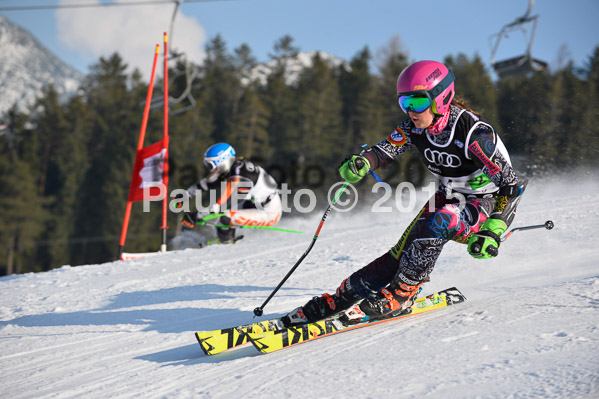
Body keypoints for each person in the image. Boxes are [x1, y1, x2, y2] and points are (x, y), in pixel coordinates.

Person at [283, 60, 526, 326]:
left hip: (486, 203)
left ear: (441, 99)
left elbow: (511, 186)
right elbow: (383, 150)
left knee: (441, 220)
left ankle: (403, 293)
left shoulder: (472, 134)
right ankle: (343, 297)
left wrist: (494, 228)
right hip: (450, 196)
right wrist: (362, 162)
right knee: (403, 251)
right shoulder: (414, 128)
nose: (411, 111)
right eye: (405, 103)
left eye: (418, 103)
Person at [179, 142, 282, 244]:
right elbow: (206, 183)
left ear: (222, 162)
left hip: (269, 213)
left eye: (210, 166)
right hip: (254, 204)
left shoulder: (239, 177)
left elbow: (220, 206)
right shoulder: (234, 167)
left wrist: (196, 216)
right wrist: (187, 195)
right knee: (221, 220)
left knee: (225, 218)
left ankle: (228, 248)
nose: (210, 170)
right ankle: (227, 240)